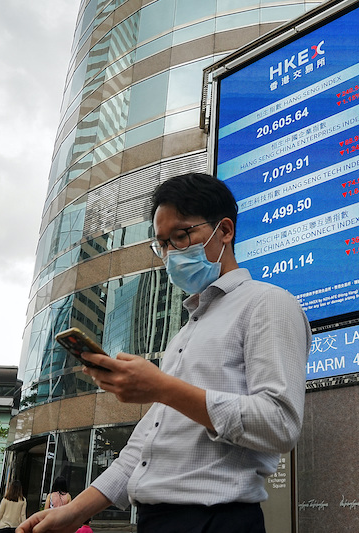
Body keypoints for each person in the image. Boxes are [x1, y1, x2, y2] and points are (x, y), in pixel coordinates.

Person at [17, 173, 310, 533]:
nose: (172, 253)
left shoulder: (268, 304)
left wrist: (162, 388)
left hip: (215, 521)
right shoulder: (184, 334)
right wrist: (75, 512)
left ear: (225, 230)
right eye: (163, 244)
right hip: (156, 521)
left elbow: (279, 424)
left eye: (182, 236)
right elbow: (144, 446)